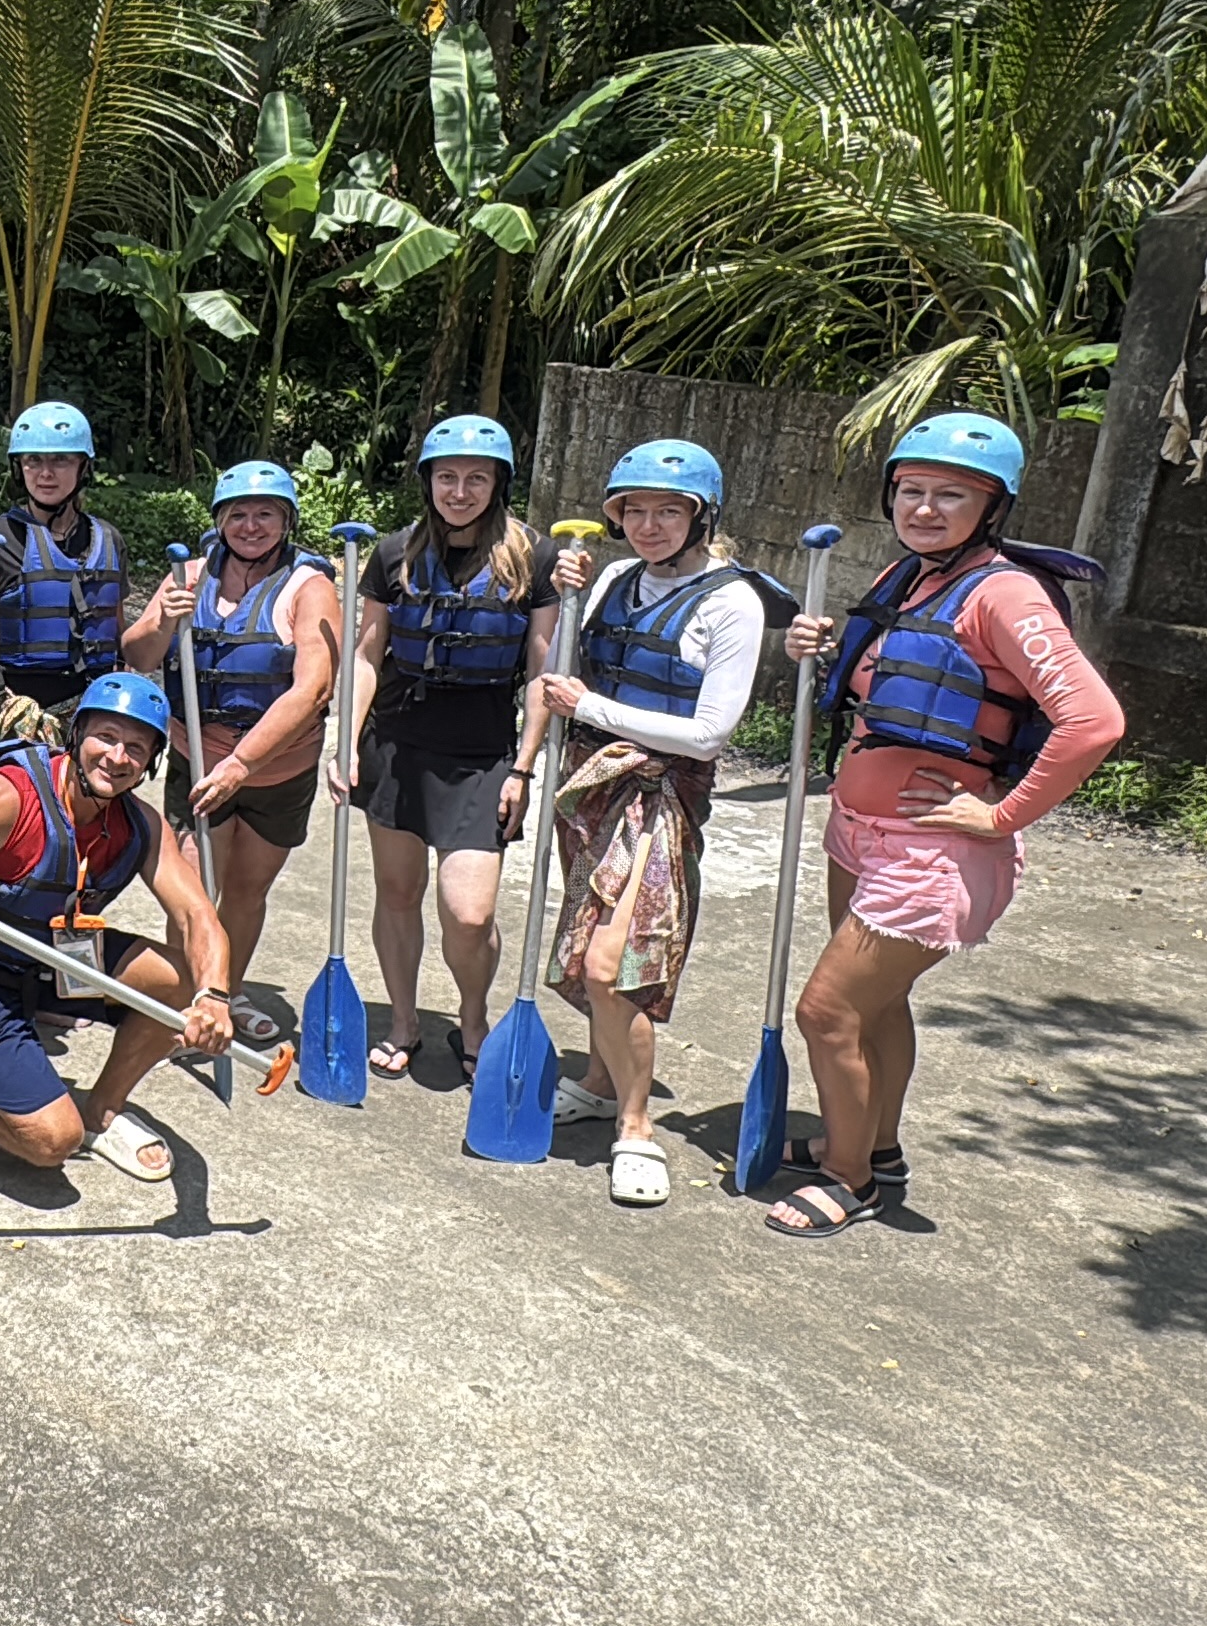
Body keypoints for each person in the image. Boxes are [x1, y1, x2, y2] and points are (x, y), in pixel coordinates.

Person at [767, 413, 1124, 1240]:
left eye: (951, 495)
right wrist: (815, 646)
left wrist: (1001, 816)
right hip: (861, 831)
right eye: (912, 491)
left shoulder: (1004, 591)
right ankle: (873, 1145)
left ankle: (847, 1177)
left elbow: (1093, 721)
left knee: (826, 1014)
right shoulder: (909, 578)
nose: (925, 509)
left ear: (991, 507)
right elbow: (886, 683)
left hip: (933, 851)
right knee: (876, 1008)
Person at [539, 439, 789, 1209]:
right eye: (634, 510)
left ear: (700, 517)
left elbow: (710, 733)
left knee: (620, 964)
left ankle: (637, 1128)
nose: (648, 525)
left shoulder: (732, 601)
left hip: (661, 790)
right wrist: (565, 598)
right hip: (590, 783)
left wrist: (590, 709)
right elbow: (559, 666)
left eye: (668, 511)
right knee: (587, 951)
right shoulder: (613, 577)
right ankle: (597, 1080)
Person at [0, 673, 238, 1181]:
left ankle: (100, 1112)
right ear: (77, 734)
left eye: (135, 747)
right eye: (105, 737)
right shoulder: (6, 798)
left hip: (53, 963)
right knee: (48, 1143)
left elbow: (198, 917)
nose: (117, 757)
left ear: (150, 761)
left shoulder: (141, 826)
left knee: (183, 980)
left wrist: (214, 996)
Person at [336, 415, 562, 1080]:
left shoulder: (534, 557)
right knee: (397, 892)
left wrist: (523, 767)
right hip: (399, 744)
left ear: (498, 485)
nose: (459, 490)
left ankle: (471, 1014)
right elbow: (368, 654)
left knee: (469, 913)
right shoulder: (392, 553)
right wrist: (343, 743)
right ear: (427, 482)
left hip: (483, 752)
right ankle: (404, 1021)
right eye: (447, 477)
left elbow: (542, 673)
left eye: (476, 478)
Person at [120, 459, 339, 1045]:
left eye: (265, 513)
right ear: (219, 522)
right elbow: (138, 655)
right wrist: (163, 622)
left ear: (286, 521)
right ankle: (183, 993)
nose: (250, 525)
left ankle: (228, 992)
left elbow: (314, 687)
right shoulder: (186, 575)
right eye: (237, 514)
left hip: (278, 772)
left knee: (245, 889)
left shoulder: (310, 587)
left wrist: (242, 765)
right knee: (190, 888)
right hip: (198, 759)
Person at [0, 400, 129, 739]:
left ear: (83, 467)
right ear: (18, 468)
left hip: (94, 712)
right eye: (33, 461)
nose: (45, 473)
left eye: (60, 460)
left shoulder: (109, 539)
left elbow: (118, 632)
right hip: (19, 713)